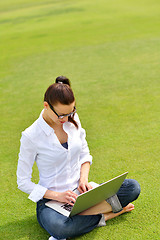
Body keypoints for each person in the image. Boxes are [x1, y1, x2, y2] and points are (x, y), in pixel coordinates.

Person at [17, 76, 141, 240]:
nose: (67, 119)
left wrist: (83, 179)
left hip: (82, 195)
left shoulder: (71, 117)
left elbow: (84, 153)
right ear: (46, 106)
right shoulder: (31, 136)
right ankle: (107, 214)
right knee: (59, 228)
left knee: (132, 187)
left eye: (71, 112)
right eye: (61, 115)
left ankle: (86, 215)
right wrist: (58, 196)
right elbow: (23, 182)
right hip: (51, 202)